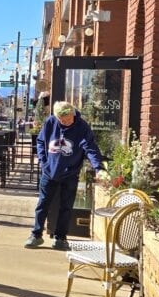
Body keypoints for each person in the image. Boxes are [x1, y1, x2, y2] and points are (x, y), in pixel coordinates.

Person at [26, 101, 108, 250]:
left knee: (66, 207)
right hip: (49, 171)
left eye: (68, 120)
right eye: (62, 121)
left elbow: (90, 147)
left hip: (70, 172)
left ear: (73, 114)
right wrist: (43, 163)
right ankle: (36, 235)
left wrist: (99, 168)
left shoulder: (81, 126)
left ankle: (60, 238)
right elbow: (40, 141)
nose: (65, 123)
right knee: (43, 204)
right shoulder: (51, 122)